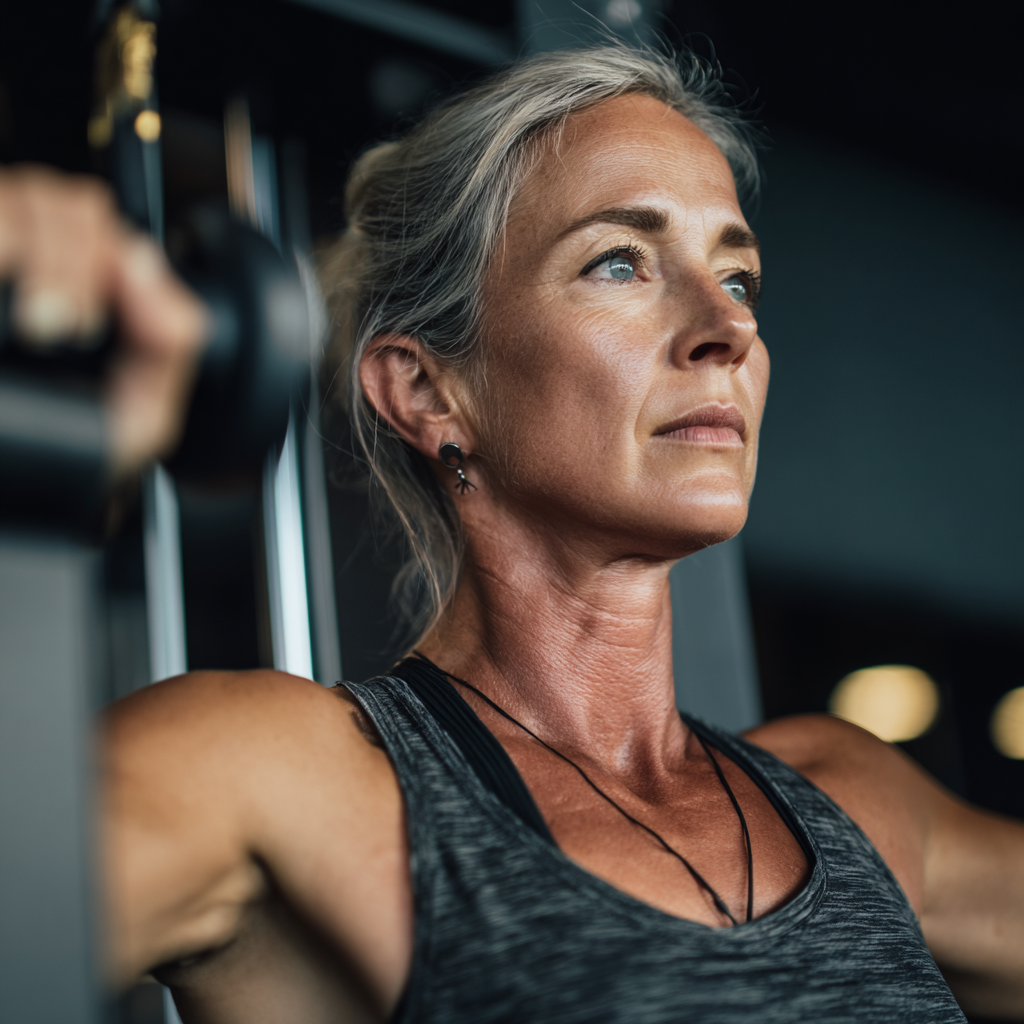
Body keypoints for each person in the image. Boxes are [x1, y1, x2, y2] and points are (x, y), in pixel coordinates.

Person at [3, 44, 1022, 1024]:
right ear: (426, 388)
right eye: (619, 262)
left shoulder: (851, 799)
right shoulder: (282, 780)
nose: (728, 326)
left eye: (739, 276)